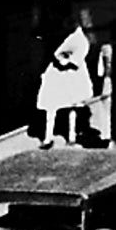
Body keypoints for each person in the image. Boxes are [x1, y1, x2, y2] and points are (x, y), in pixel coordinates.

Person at [37, 12, 95, 146]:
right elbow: (55, 54)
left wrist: (64, 61)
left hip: (72, 75)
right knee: (52, 106)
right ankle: (49, 137)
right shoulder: (66, 37)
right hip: (58, 74)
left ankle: (71, 136)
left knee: (71, 106)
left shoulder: (80, 40)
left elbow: (76, 60)